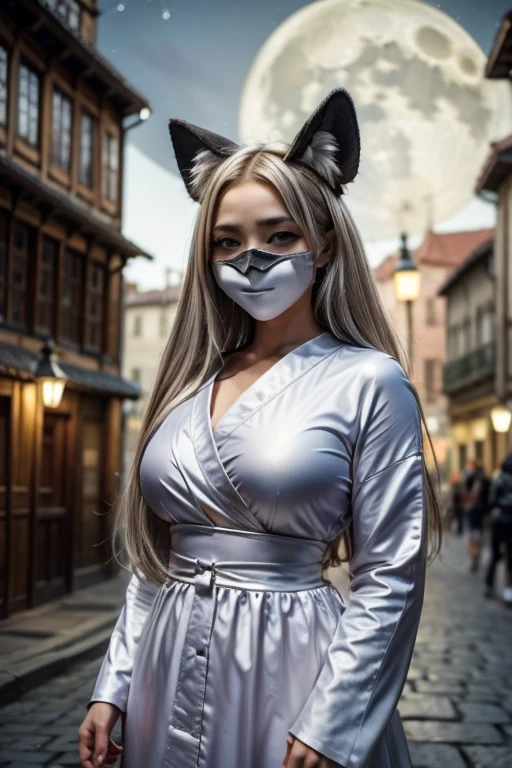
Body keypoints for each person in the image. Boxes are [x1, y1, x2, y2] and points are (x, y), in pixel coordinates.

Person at [78, 88, 442, 768]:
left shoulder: (370, 381)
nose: (251, 257)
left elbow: (391, 573)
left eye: (279, 235)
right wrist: (114, 682)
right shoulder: (189, 381)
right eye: (227, 241)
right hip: (165, 660)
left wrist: (335, 721)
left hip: (294, 663)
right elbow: (155, 561)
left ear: (324, 243)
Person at [484, 452, 512, 605]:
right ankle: (508, 592)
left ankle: (489, 585)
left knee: (494, 556)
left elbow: (491, 501)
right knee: (509, 558)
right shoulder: (499, 479)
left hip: (498, 522)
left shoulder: (498, 479)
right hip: (507, 522)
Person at [462, 459, 490, 572]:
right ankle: (476, 557)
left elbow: (469, 493)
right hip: (482, 511)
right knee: (478, 534)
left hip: (474, 510)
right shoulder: (486, 479)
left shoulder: (472, 478)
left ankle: (473, 557)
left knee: (473, 535)